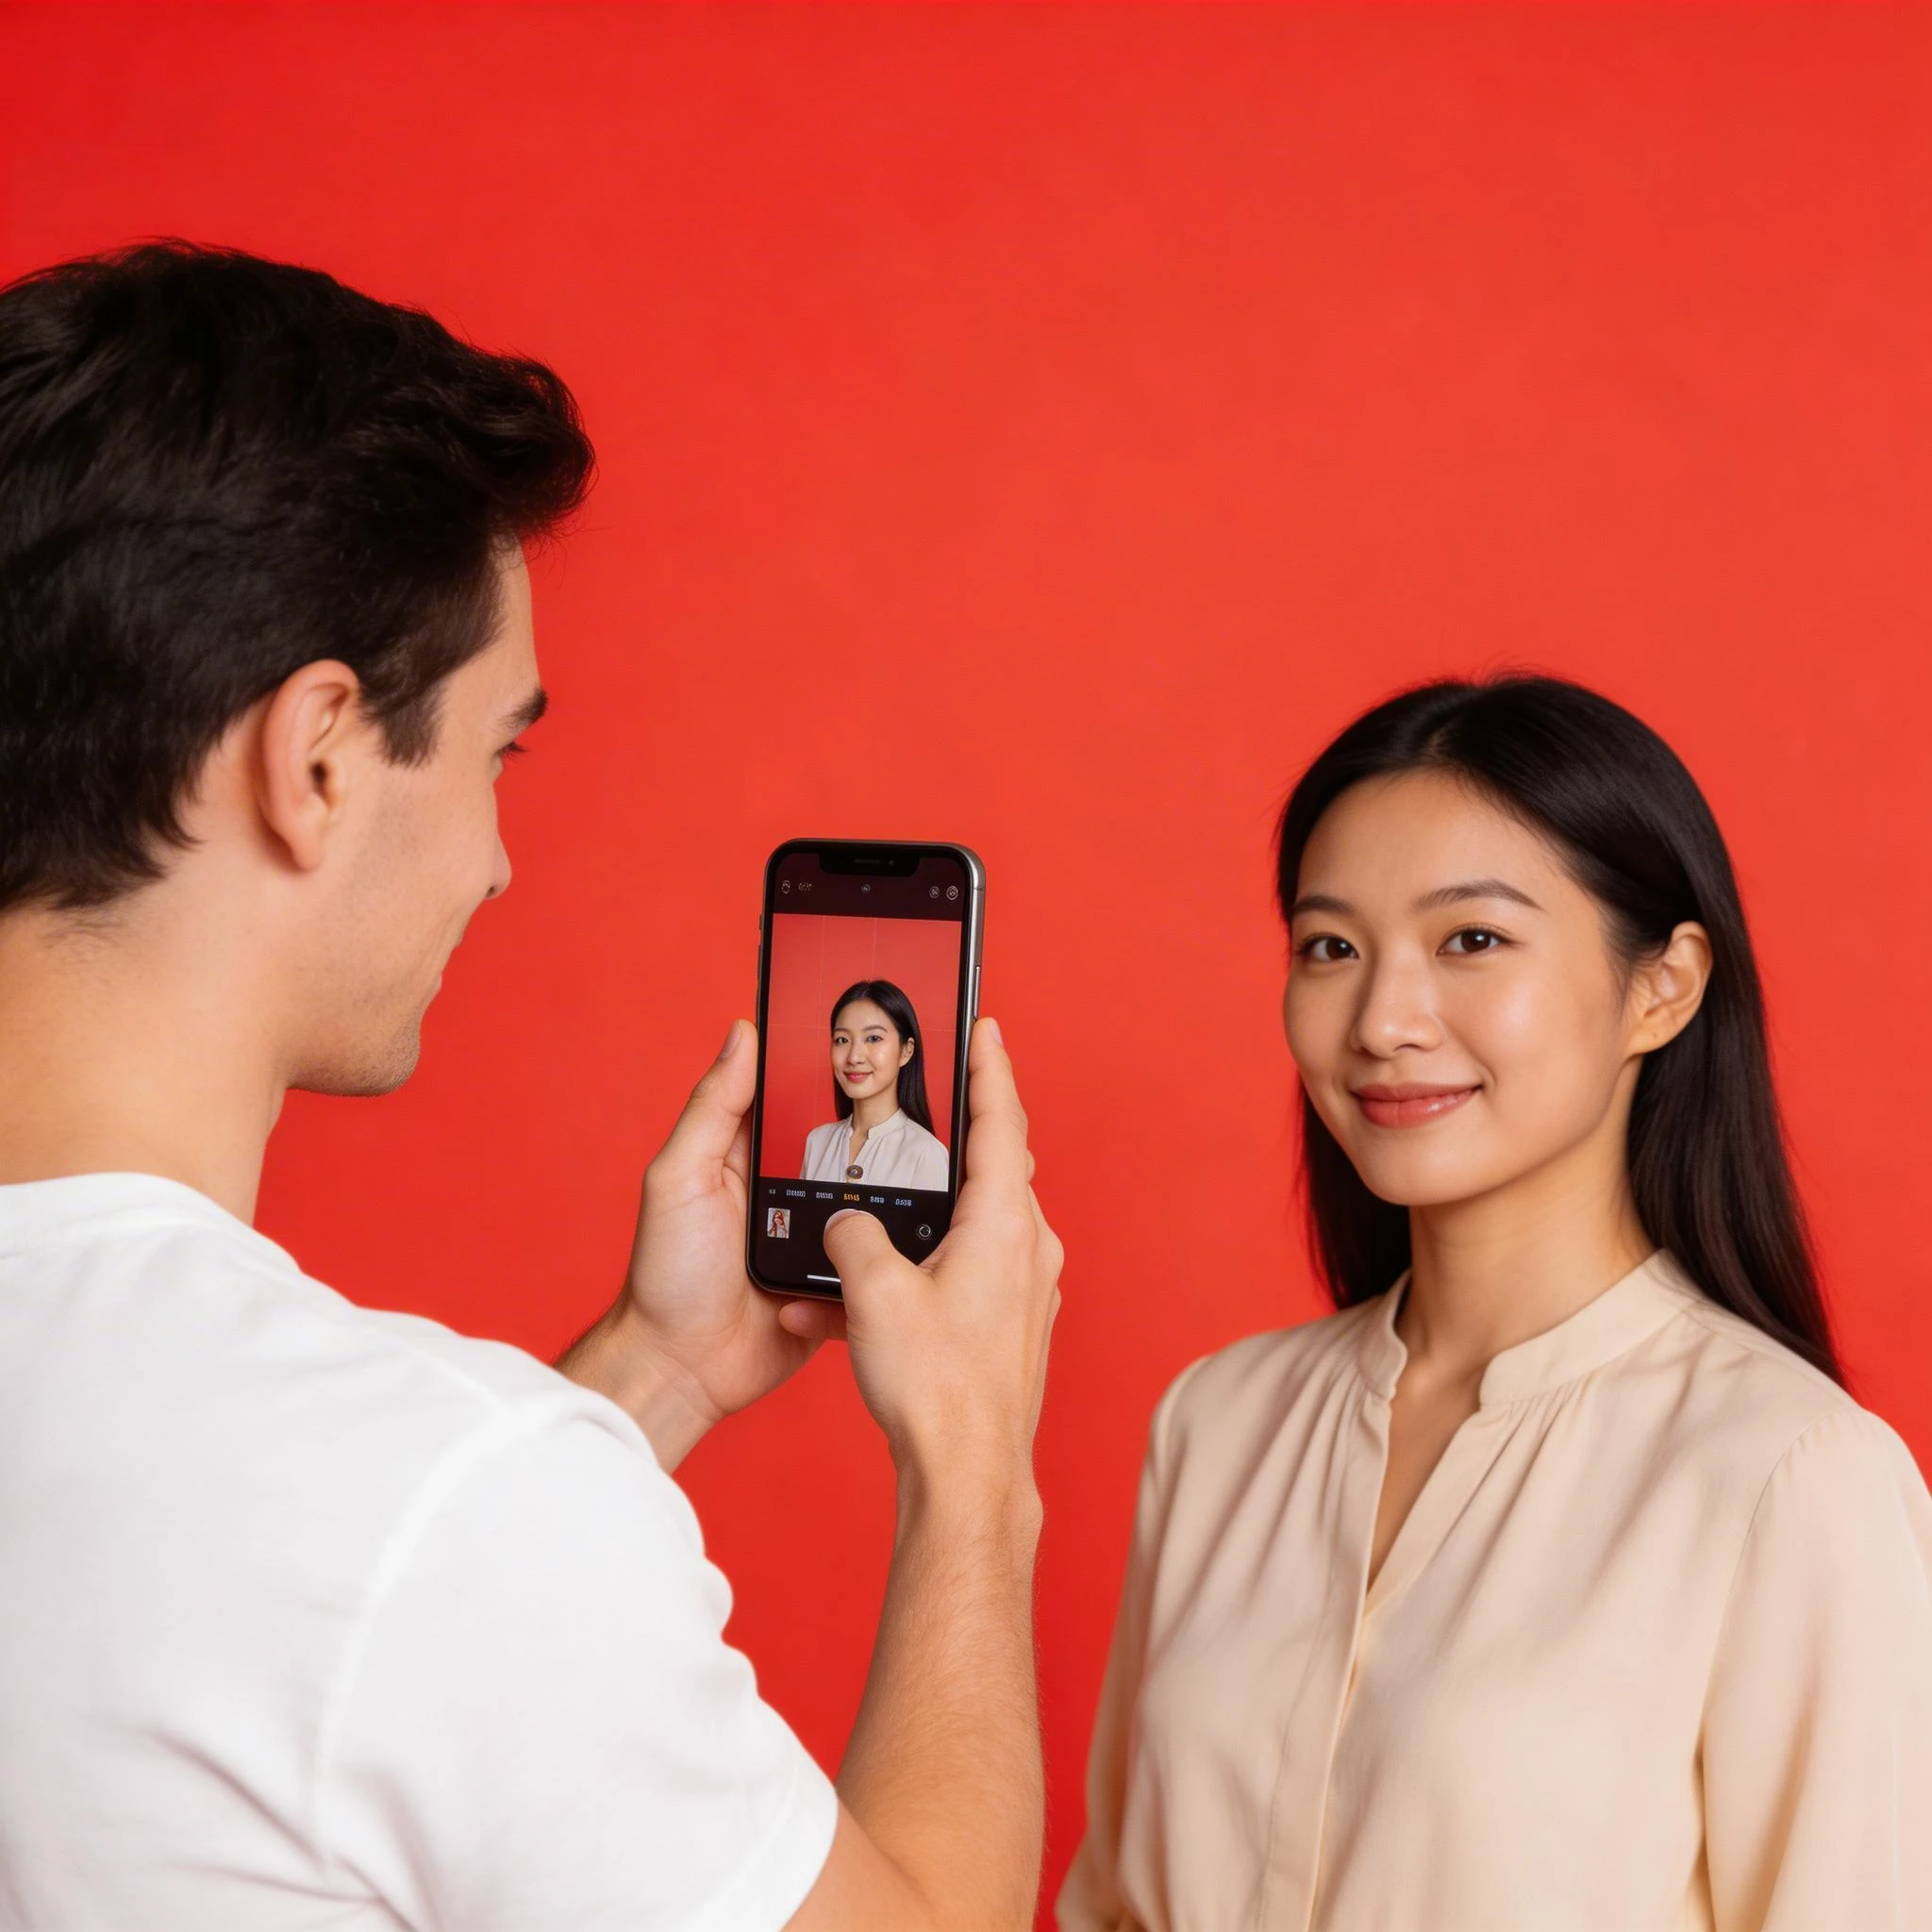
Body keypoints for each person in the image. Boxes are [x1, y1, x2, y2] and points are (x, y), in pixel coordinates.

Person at [0, 242, 1062, 1932]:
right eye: (501, 751)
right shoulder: (429, 1499)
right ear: (320, 754)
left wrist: (657, 1371)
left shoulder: (404, 1510)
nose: (496, 863)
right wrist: (974, 1466)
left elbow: (321, 1641)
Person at [1059, 676, 1932, 1932]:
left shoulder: (1791, 1479)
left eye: (1471, 939)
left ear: (1663, 988)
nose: (1382, 1020)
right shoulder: (1219, 1423)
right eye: (1331, 947)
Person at [802, 980, 950, 1190]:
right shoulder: (817, 1142)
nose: (854, 1057)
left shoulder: (926, 1153)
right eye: (842, 1040)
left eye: (873, 1038)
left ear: (906, 1051)